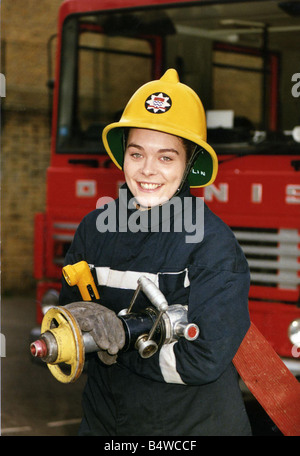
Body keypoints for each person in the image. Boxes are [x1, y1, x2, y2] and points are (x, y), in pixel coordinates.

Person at [59, 69, 252, 436]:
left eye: (166, 158)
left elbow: (203, 358)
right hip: (103, 423)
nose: (147, 170)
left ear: (189, 164)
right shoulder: (94, 229)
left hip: (188, 428)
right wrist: (72, 327)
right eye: (137, 153)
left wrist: (118, 344)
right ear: (123, 157)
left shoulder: (212, 245)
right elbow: (71, 331)